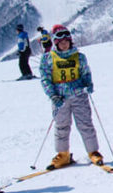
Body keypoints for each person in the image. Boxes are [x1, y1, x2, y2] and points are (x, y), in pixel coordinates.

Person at [39, 25, 103, 169]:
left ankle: (93, 151)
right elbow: (45, 79)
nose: (64, 43)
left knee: (85, 123)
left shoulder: (79, 57)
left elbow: (86, 73)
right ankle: (63, 154)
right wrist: (52, 95)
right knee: (61, 125)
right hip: (60, 98)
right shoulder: (48, 58)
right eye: (60, 41)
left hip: (79, 95)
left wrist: (88, 84)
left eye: (66, 40)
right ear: (55, 42)